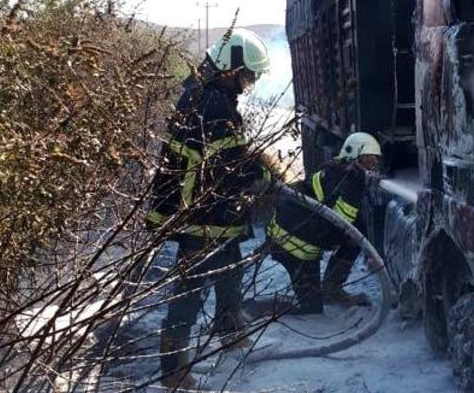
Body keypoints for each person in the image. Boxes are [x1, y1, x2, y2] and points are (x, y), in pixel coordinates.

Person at [145, 28, 271, 389]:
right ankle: (174, 372)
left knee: (230, 270)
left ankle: (231, 335)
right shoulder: (212, 104)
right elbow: (228, 165)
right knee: (190, 290)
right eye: (247, 75)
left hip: (214, 211)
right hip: (199, 214)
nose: (249, 84)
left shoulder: (208, 94)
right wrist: (261, 173)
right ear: (230, 68)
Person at [264, 132, 382, 315]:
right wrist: (371, 254)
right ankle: (257, 308)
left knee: (359, 230)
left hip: (293, 236)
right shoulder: (351, 180)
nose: (374, 165)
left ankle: (331, 289)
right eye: (371, 159)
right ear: (359, 155)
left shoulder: (338, 170)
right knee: (311, 308)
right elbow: (343, 223)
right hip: (293, 246)